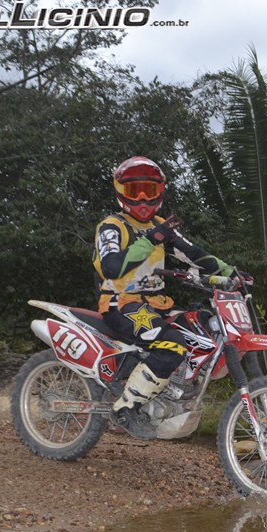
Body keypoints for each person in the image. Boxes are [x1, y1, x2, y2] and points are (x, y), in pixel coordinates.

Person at [93, 156, 236, 440]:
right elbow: (111, 267)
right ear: (121, 192)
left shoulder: (161, 226)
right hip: (120, 303)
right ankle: (126, 409)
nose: (142, 198)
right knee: (172, 344)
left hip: (155, 304)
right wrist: (151, 239)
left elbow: (194, 254)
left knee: (204, 325)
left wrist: (231, 271)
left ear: (160, 191)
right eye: (134, 191)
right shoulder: (112, 226)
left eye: (149, 190)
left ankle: (171, 393)